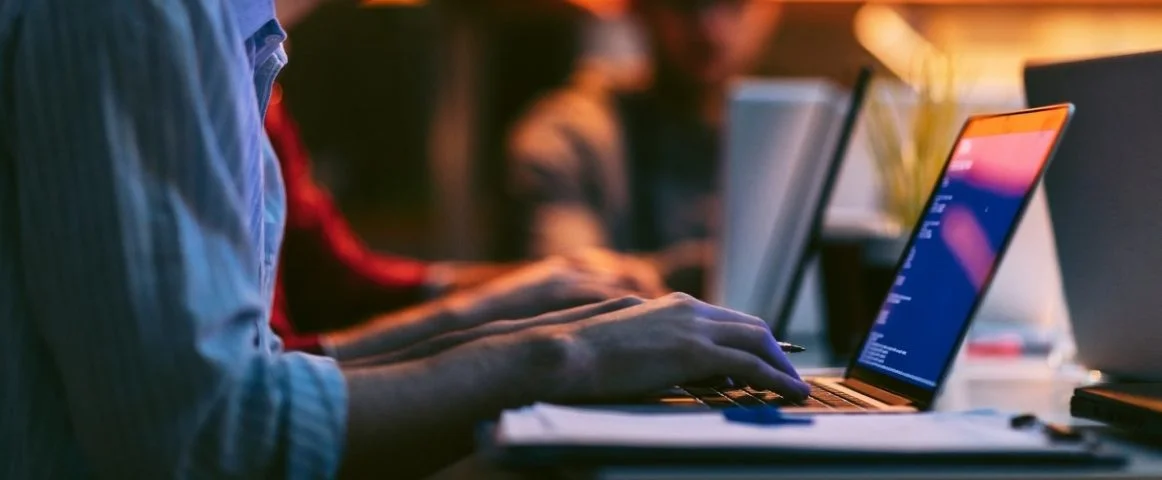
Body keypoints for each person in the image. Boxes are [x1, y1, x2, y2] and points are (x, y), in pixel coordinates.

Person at [0, 1, 807, 479]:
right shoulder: (148, 14)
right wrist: (559, 360)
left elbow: (244, 374)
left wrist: (524, 326)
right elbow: (202, 433)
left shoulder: (226, 33)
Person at [509, 0, 783, 294]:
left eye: (733, 4)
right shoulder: (567, 135)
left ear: (770, 9)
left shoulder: (800, 138)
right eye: (685, 7)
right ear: (640, 9)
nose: (710, 30)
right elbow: (571, 288)